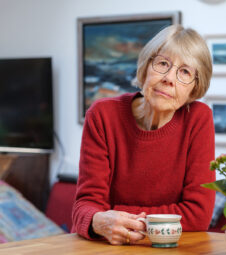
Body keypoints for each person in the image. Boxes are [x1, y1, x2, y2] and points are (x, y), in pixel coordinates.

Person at [72, 24, 216, 245]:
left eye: (185, 72)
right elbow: (85, 208)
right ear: (146, 66)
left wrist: (115, 214)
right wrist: (98, 219)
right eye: (163, 64)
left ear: (195, 88)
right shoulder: (102, 115)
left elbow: (198, 214)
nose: (169, 78)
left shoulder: (198, 119)